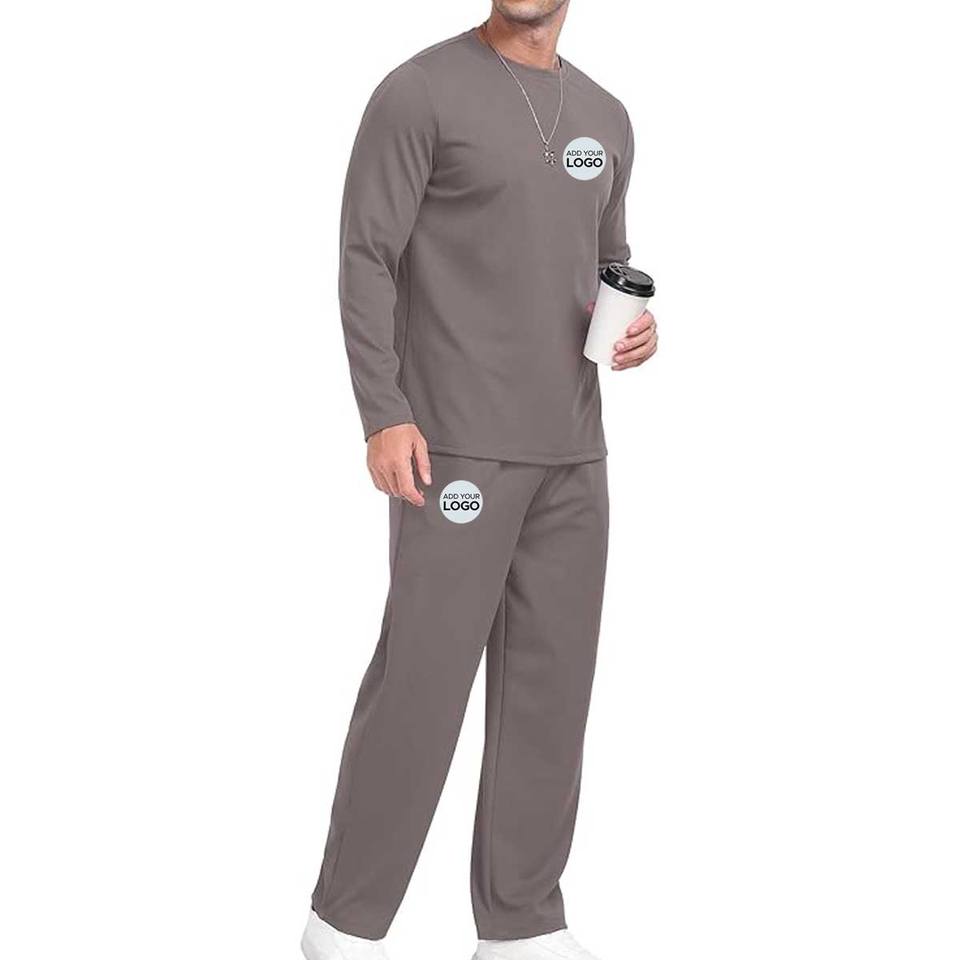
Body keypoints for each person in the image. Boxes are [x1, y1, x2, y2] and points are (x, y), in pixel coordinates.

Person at [302, 3, 658, 958]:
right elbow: (365, 257)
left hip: (573, 454)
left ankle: (521, 925)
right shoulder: (418, 93)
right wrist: (383, 410)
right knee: (421, 686)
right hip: (453, 451)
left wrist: (635, 327)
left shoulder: (607, 116)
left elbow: (607, 260)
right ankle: (343, 924)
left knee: (551, 695)